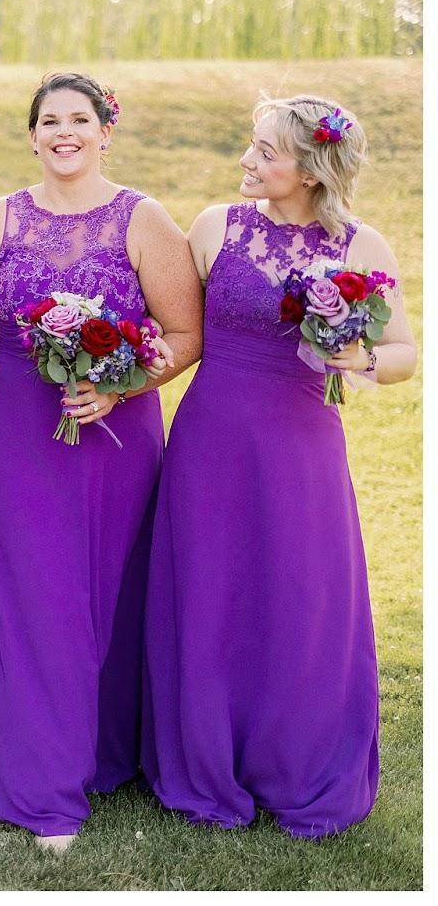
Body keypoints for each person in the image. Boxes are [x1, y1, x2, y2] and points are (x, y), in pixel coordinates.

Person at [142, 95, 414, 837]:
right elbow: (174, 326)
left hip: (301, 449)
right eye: (251, 145)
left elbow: (403, 353)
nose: (247, 160)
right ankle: (206, 754)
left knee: (301, 596)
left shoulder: (361, 245)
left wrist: (360, 358)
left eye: (265, 152)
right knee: (210, 593)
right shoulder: (213, 228)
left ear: (312, 169)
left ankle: (292, 761)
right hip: (210, 443)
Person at [0, 73, 199, 852]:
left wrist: (120, 385)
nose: (64, 132)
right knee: (37, 595)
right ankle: (42, 784)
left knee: (106, 592)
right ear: (32, 136)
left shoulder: (143, 218)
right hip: (20, 434)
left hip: (114, 435)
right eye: (49, 120)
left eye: (79, 119)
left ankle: (101, 751)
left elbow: (185, 334)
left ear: (104, 131)